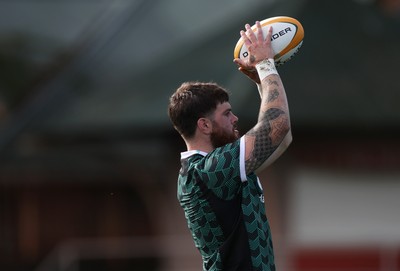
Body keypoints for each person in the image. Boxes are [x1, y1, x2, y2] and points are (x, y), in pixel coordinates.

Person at [167, 21, 292, 271]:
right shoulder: (208, 171)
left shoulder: (211, 169)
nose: (235, 119)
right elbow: (276, 126)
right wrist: (266, 65)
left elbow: (282, 137)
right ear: (204, 125)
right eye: (226, 114)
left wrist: (259, 80)